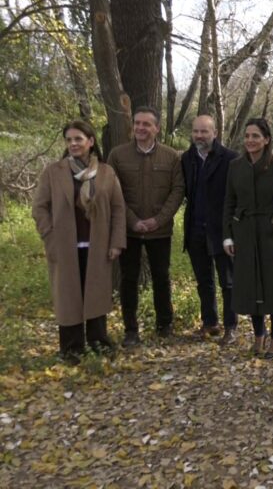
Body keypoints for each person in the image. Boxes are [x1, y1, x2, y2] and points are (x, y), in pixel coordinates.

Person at [32, 120, 126, 363]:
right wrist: (49, 236)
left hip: (98, 244)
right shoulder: (54, 172)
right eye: (69, 140)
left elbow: (118, 209)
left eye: (78, 139)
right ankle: (71, 348)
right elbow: (40, 207)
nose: (73, 144)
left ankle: (98, 343)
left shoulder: (106, 172)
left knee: (96, 294)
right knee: (68, 296)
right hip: (64, 246)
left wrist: (116, 242)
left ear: (91, 142)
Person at [223, 118, 273, 359]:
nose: (250, 140)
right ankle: (259, 334)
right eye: (247, 136)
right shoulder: (236, 166)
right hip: (244, 232)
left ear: (266, 139)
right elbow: (229, 203)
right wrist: (228, 236)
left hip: (268, 234)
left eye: (256, 136)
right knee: (248, 284)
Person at [108, 107, 184, 347]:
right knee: (128, 279)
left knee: (161, 277)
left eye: (146, 124)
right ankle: (131, 330)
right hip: (128, 230)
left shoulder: (171, 156)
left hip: (159, 231)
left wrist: (158, 220)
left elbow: (178, 190)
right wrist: (133, 221)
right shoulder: (117, 155)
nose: (141, 128)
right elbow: (113, 191)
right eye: (137, 124)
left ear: (156, 128)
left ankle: (165, 325)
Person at [181, 115, 239, 344]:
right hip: (195, 227)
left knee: (228, 281)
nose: (199, 136)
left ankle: (231, 326)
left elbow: (237, 196)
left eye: (204, 132)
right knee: (203, 280)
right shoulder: (187, 159)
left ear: (215, 132)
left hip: (221, 229)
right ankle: (210, 323)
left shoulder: (230, 159)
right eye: (196, 131)